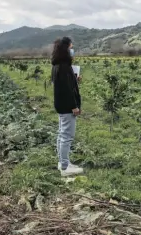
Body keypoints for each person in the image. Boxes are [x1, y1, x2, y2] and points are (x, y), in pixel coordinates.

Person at [51, 36, 84, 176]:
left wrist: (75, 80)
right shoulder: (64, 67)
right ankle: (65, 167)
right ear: (65, 49)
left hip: (60, 105)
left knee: (62, 134)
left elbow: (65, 85)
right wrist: (74, 106)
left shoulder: (57, 65)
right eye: (71, 48)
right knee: (67, 136)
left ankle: (62, 162)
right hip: (66, 106)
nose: (72, 51)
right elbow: (66, 90)